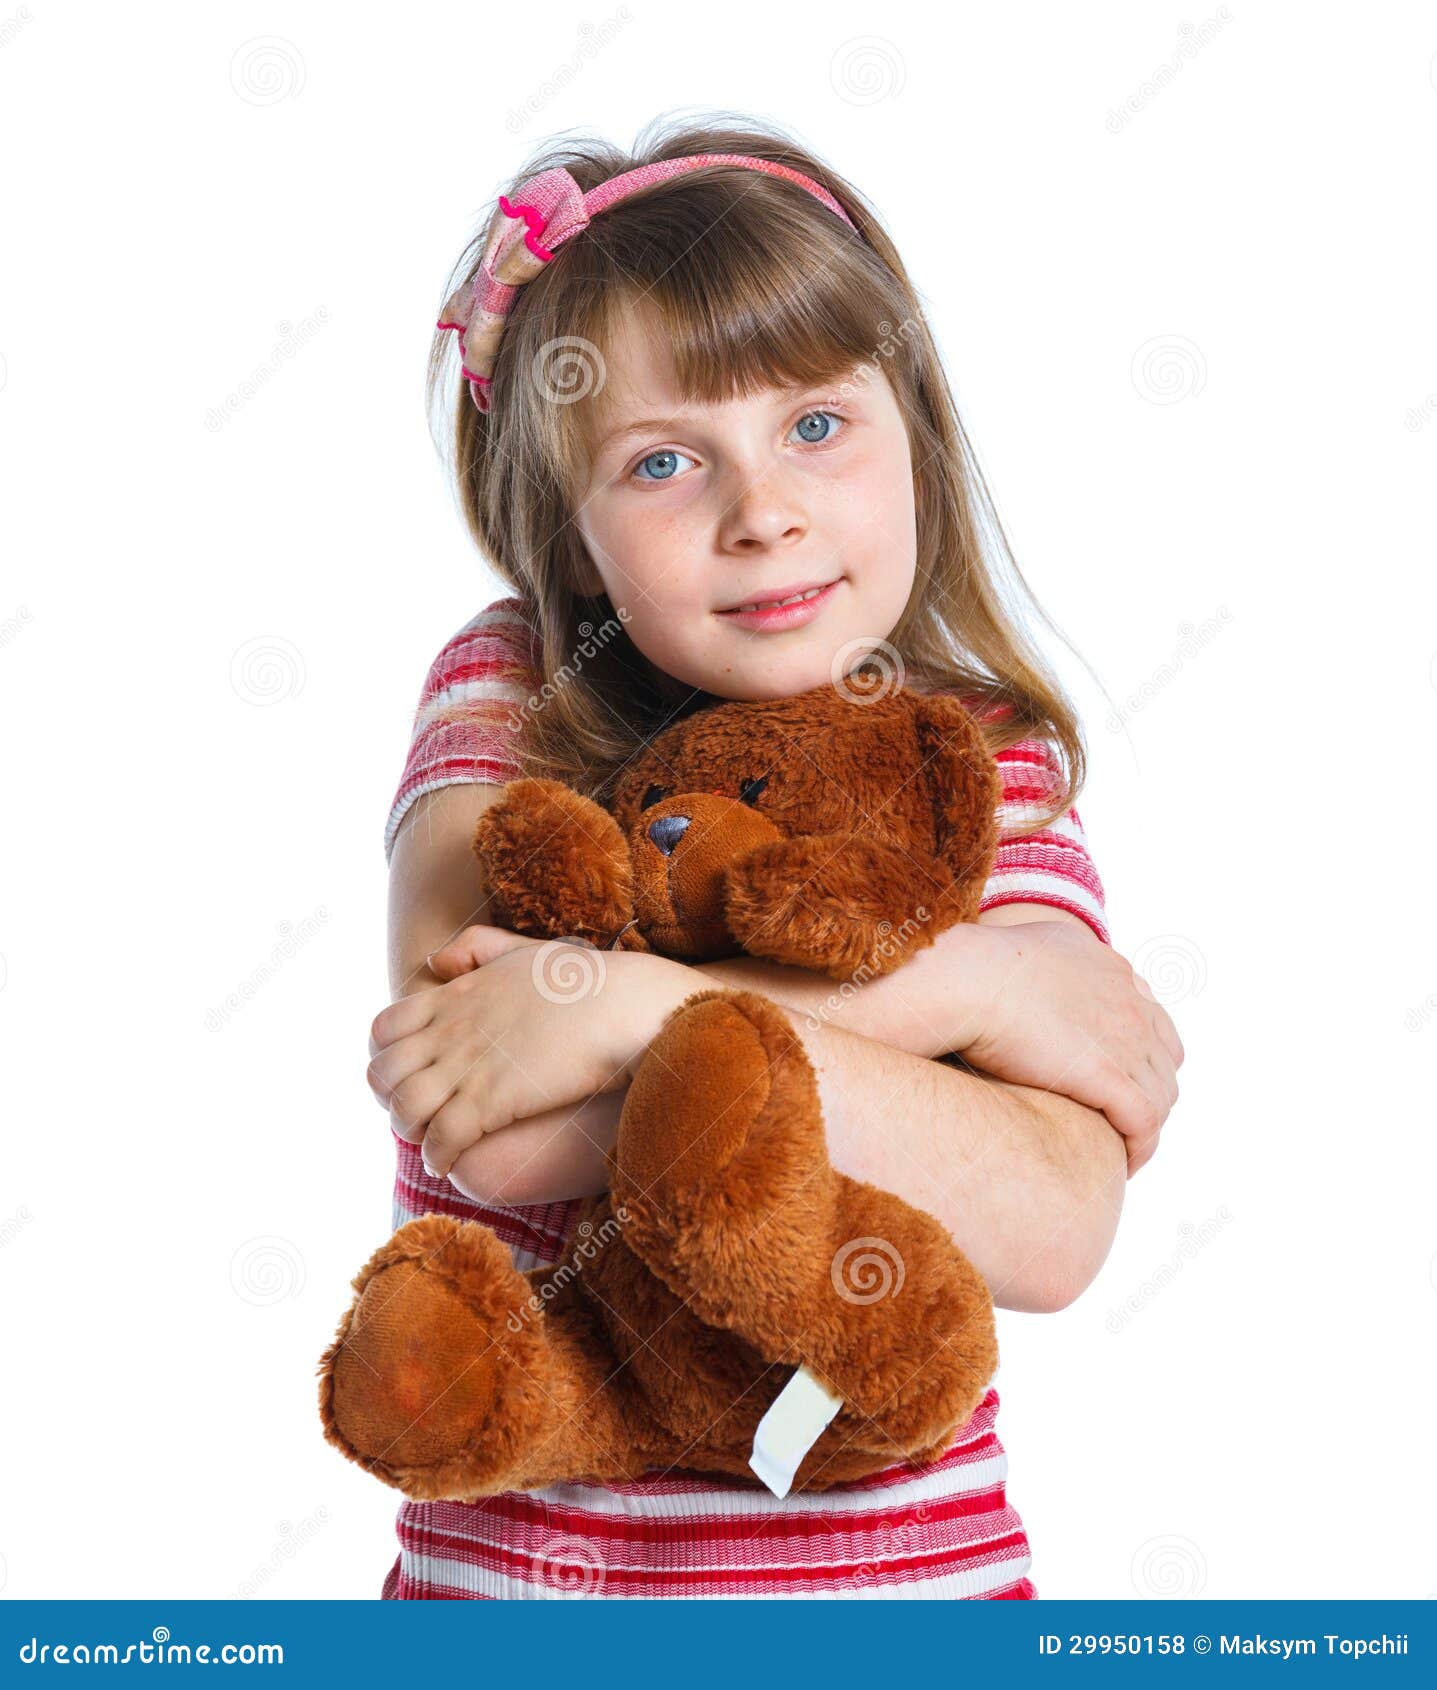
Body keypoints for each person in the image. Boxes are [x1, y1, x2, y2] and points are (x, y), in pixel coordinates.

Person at [365, 113, 1184, 1599]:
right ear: (563, 537)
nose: (764, 514)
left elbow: (1054, 1225)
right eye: (666, 461)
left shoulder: (974, 759)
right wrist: (982, 995)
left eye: (815, 424)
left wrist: (625, 1013)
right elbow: (487, 1103)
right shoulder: (514, 698)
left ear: (912, 428)